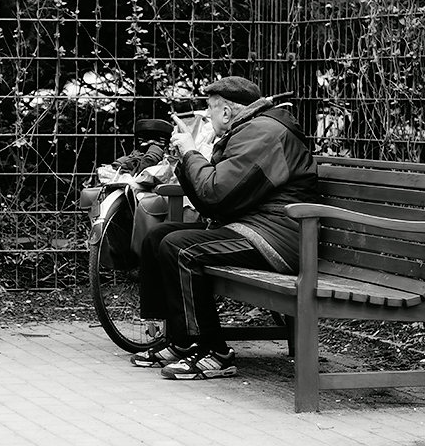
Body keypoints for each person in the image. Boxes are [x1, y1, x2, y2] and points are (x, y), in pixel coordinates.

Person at [130, 76, 318, 379]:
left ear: (228, 112)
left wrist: (192, 152)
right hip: (252, 226)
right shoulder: (251, 131)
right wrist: (185, 157)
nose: (206, 118)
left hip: (278, 240)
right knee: (157, 237)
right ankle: (179, 340)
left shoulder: (264, 135)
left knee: (180, 249)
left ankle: (213, 351)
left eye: (210, 111)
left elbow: (216, 194)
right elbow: (213, 201)